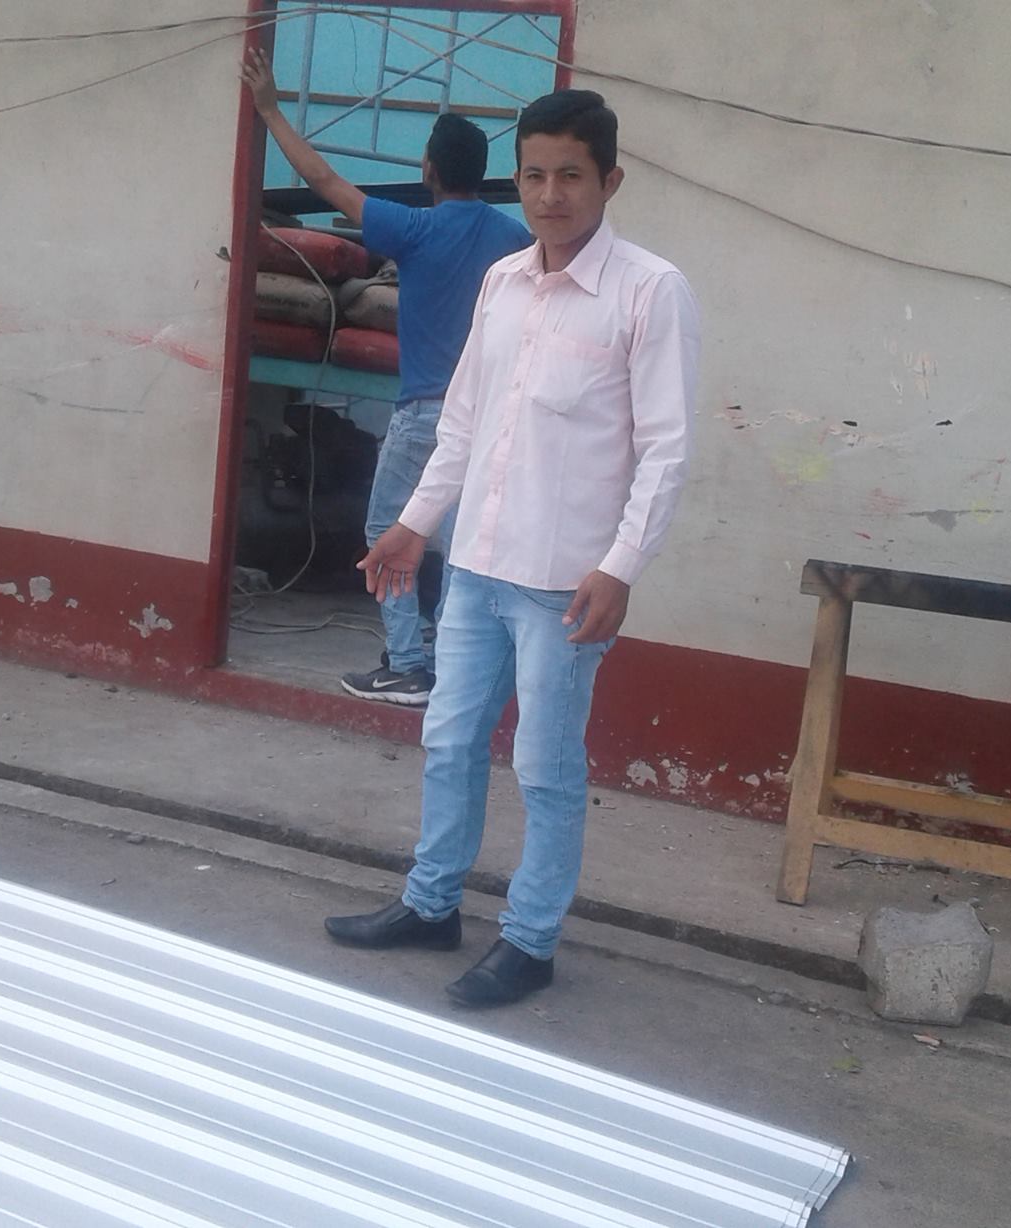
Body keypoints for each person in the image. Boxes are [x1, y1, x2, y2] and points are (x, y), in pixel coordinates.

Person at [326, 89, 700, 1008]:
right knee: (449, 738)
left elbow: (666, 448)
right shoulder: (502, 281)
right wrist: (415, 523)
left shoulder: (650, 291)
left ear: (610, 180)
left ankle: (531, 940)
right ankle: (432, 903)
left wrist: (621, 567)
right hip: (477, 568)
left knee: (545, 766)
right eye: (534, 175)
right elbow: (464, 420)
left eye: (571, 175)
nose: (550, 195)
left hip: (564, 585)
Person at [242, 49, 530, 707]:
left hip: (425, 414)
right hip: (486, 419)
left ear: (429, 170)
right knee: (458, 544)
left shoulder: (413, 229)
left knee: (387, 534)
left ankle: (407, 664)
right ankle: (452, 663)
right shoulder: (514, 239)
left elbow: (323, 180)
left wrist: (270, 110)